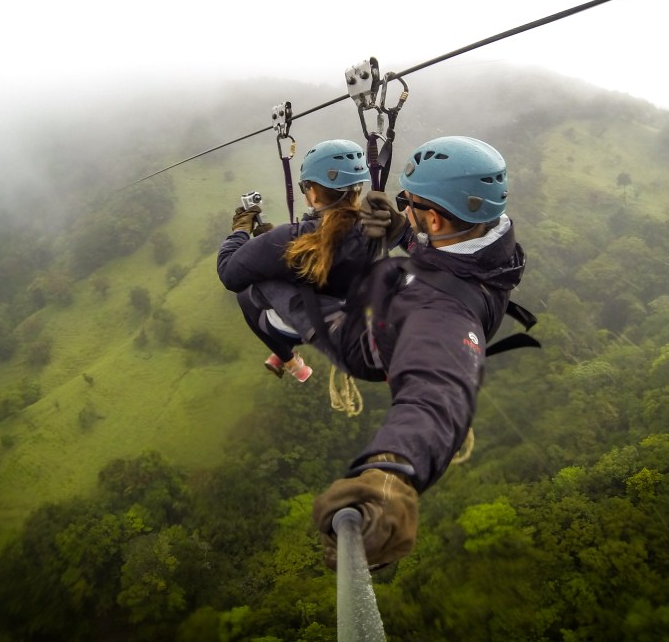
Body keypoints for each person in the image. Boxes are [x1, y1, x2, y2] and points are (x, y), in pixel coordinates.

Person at [263, 135, 528, 569]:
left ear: (437, 221)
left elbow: (438, 391)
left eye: (410, 201)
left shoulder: (442, 313)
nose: (403, 205)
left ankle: (281, 336)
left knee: (269, 288)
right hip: (391, 315)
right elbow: (441, 261)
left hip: (364, 342)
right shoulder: (494, 249)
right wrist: (405, 231)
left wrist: (391, 476)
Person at [216, 138, 376, 382]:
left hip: (293, 327)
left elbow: (229, 273)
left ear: (311, 193)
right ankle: (287, 358)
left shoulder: (289, 239)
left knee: (245, 294)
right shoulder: (375, 228)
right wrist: (267, 241)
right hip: (339, 314)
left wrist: (240, 232)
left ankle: (289, 359)